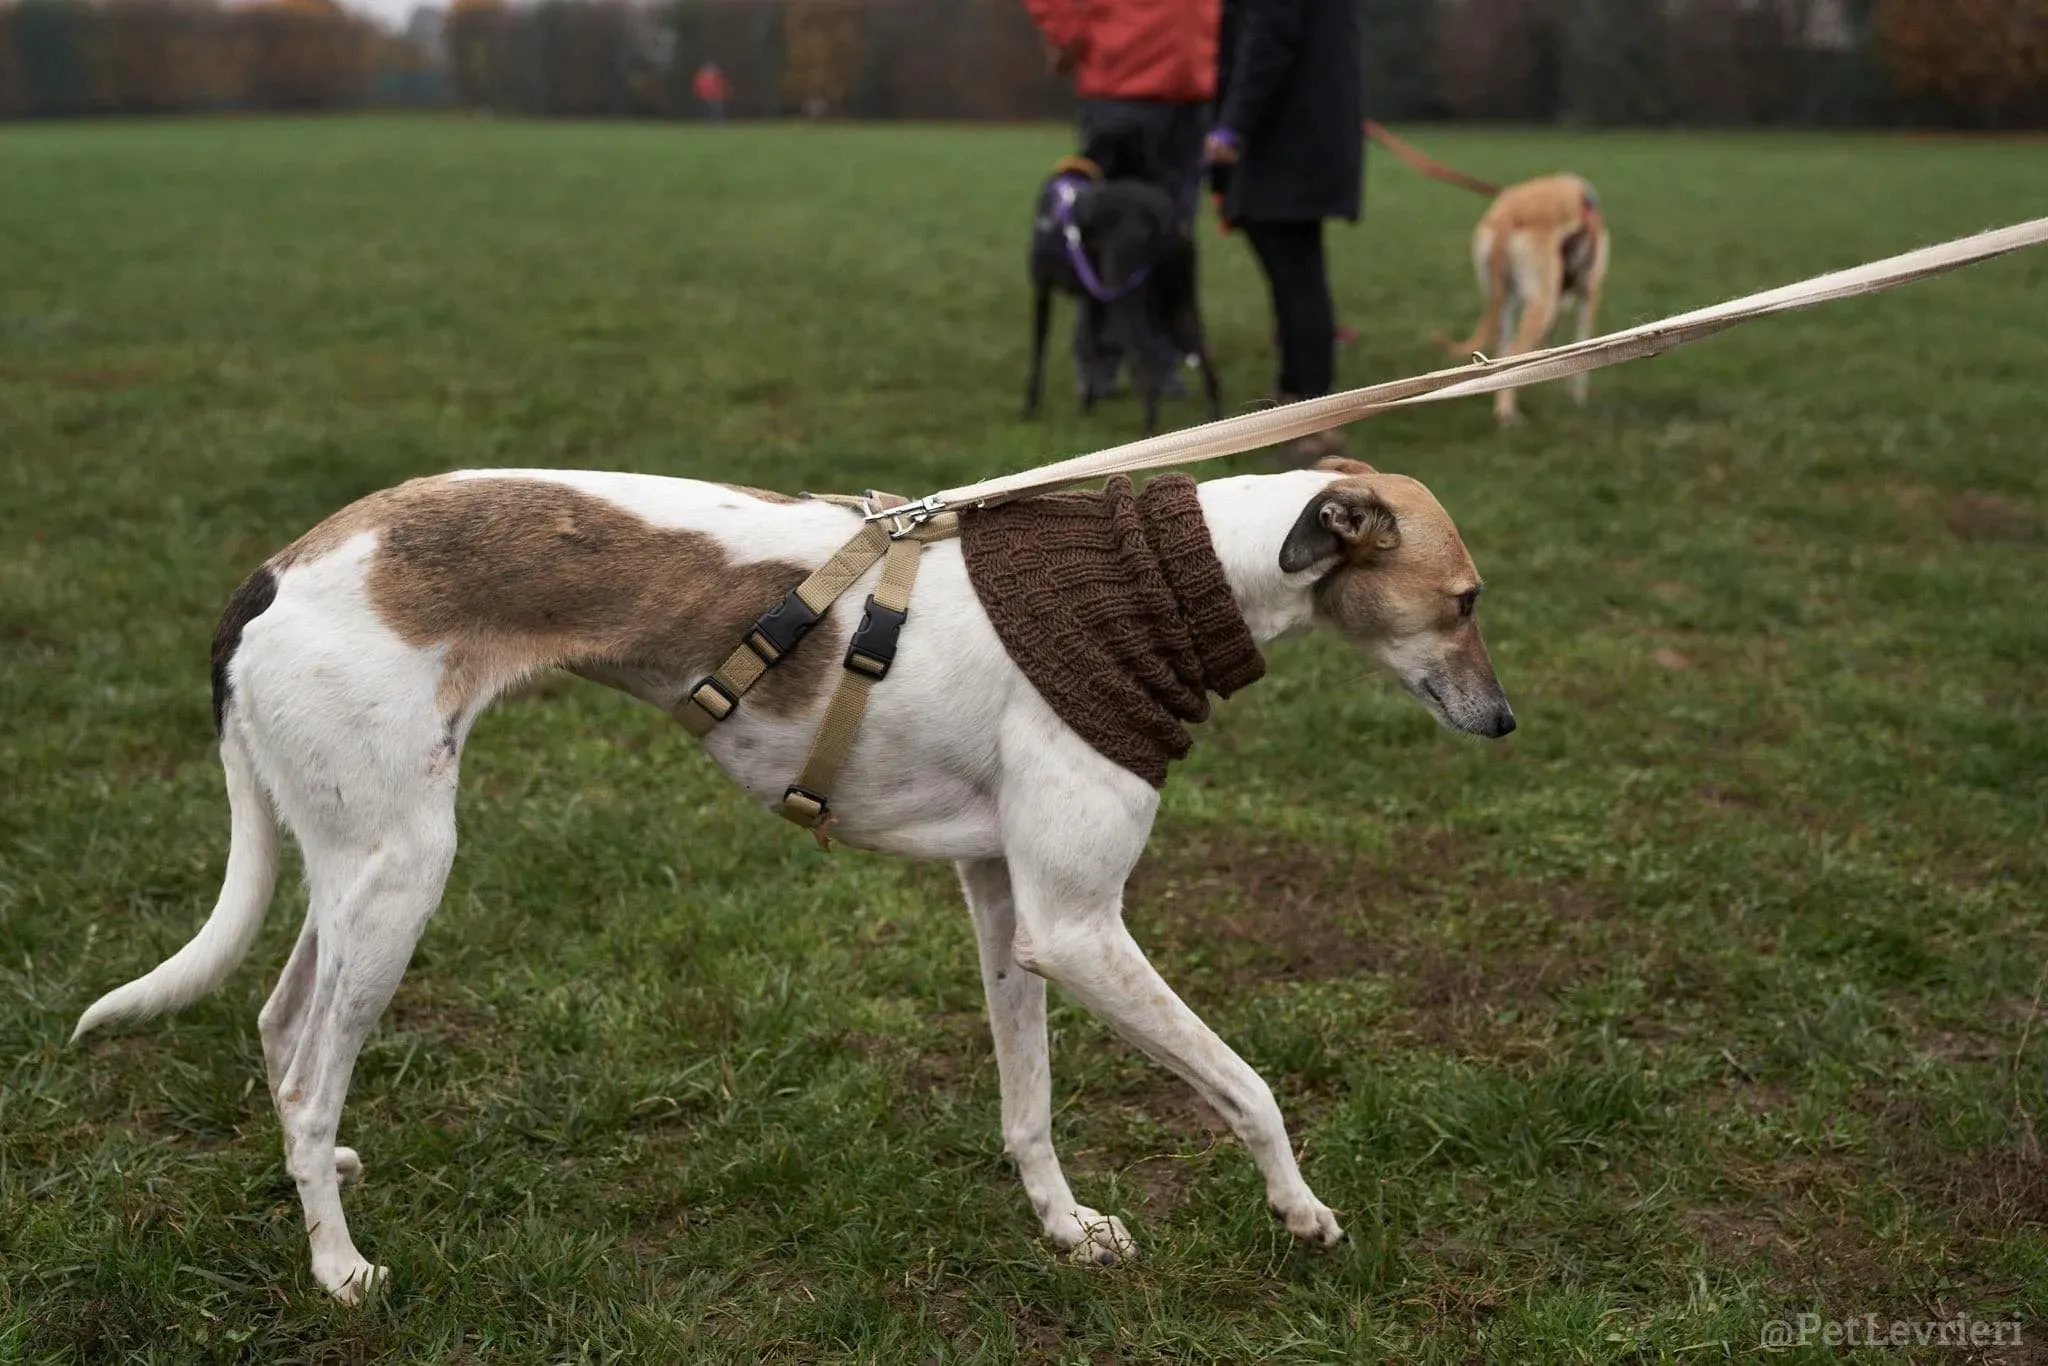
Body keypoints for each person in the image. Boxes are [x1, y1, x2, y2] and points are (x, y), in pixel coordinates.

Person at [1022, 0, 1220, 402]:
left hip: (1192, 87)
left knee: (1170, 236)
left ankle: (1160, 359)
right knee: (1108, 238)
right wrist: (1068, 33)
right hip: (1122, 87)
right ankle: (1100, 360)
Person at [1206, 0, 1361, 461]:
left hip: (1289, 139)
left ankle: (1314, 413)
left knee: (1297, 274)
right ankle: (1296, 395)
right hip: (1304, 130)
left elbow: (1268, 39)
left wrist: (1232, 127)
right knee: (1291, 268)